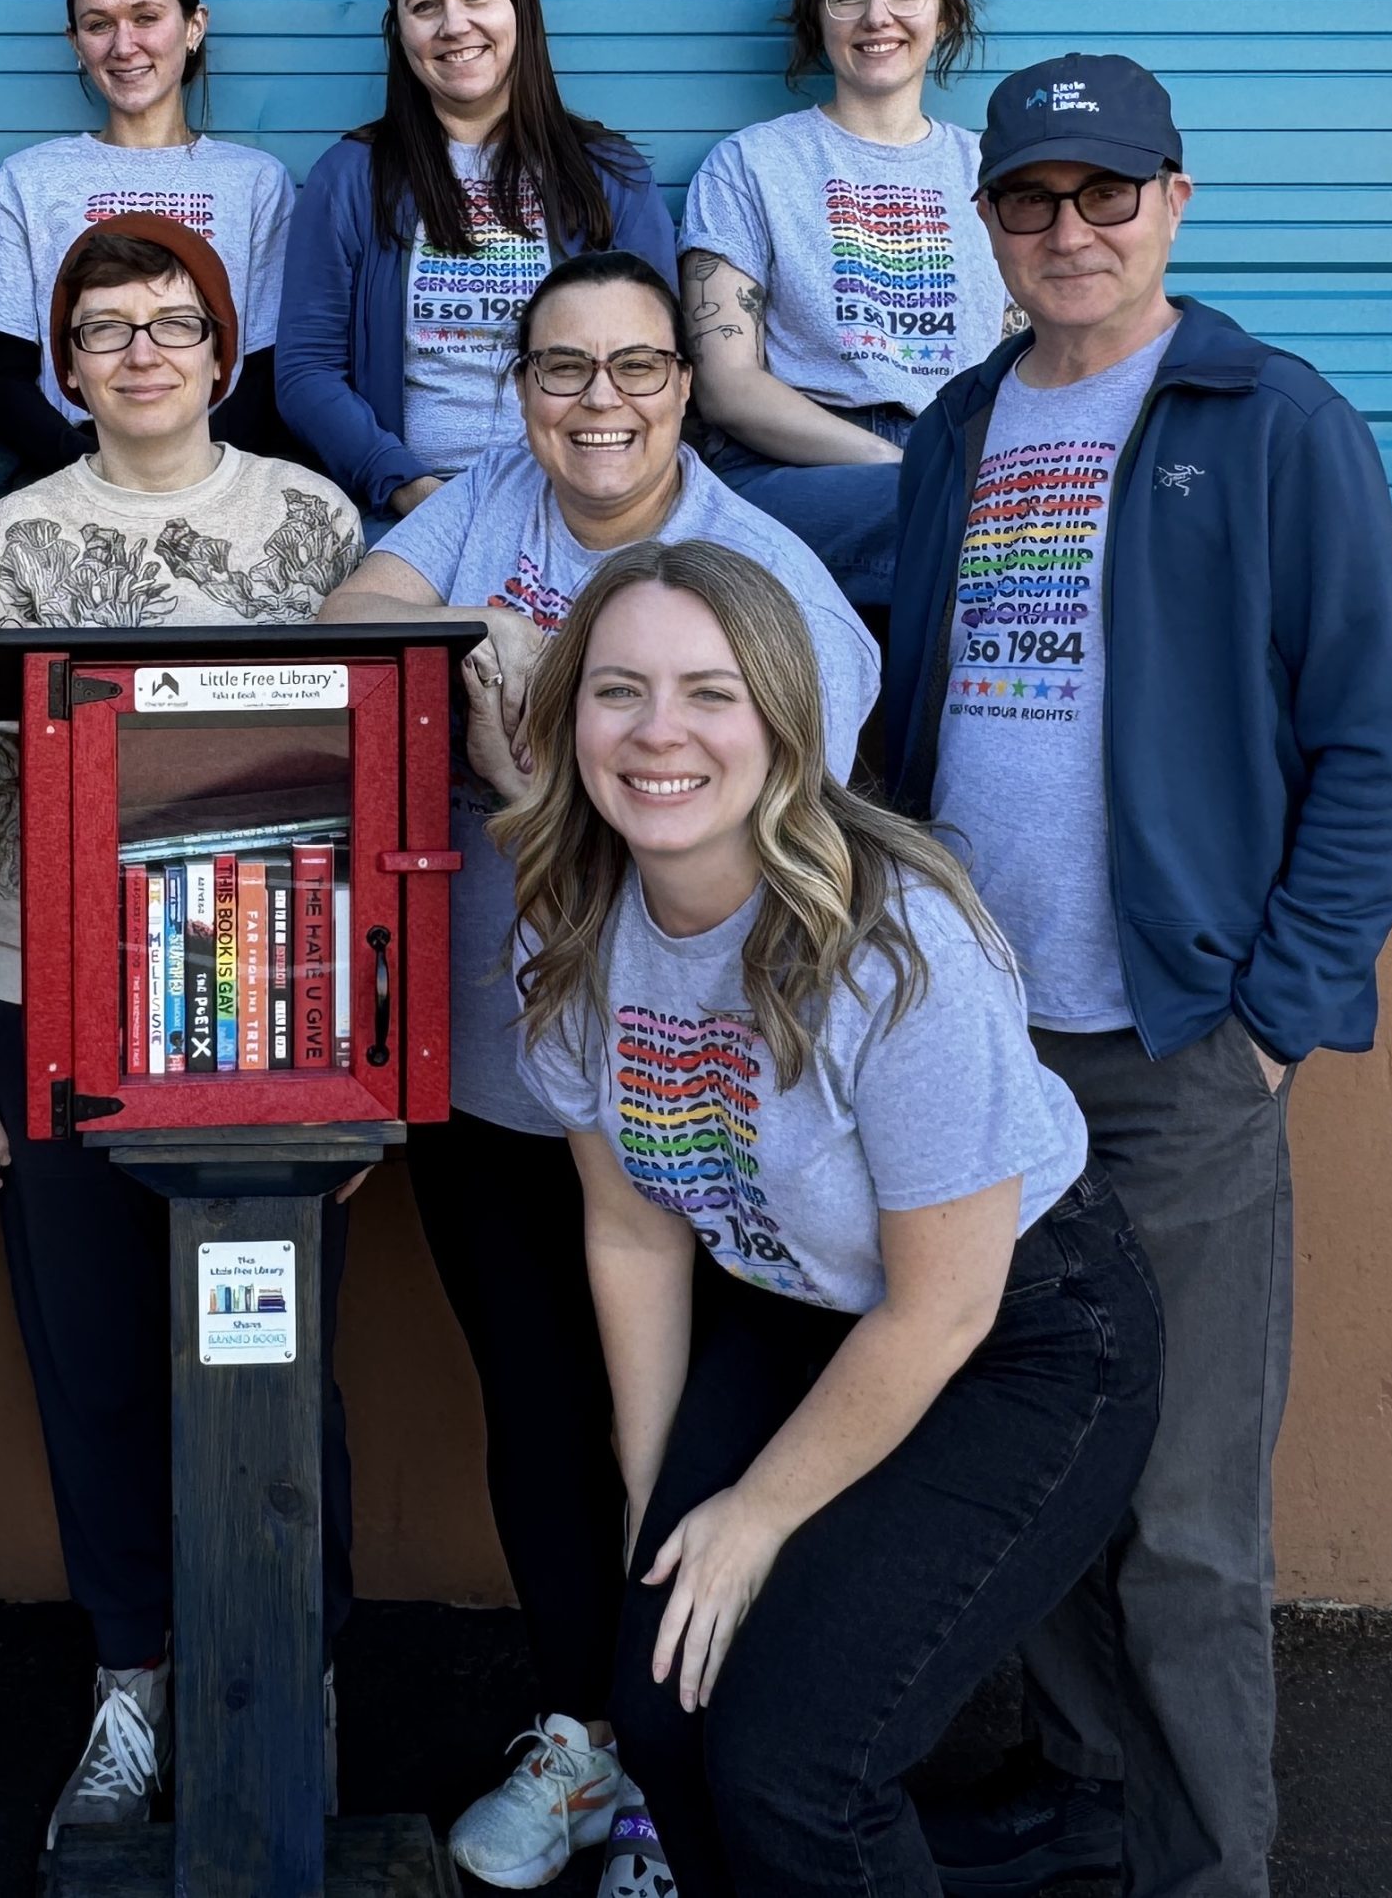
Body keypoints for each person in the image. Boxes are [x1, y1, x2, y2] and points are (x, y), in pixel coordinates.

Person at [884, 55, 1392, 1898]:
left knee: (1187, 1517)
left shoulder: (1268, 417)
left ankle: (1212, 1866)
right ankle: (1089, 1805)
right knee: (1032, 1472)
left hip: (1180, 1046)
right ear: (986, 225)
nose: (1070, 230)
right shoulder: (963, 421)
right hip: (986, 1050)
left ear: (1176, 201)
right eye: (1032, 201)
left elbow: (1375, 740)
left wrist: (1281, 1009)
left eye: (1105, 194)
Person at [316, 250, 878, 1891]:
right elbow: (349, 617)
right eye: (564, 370)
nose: (600, 402)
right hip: (502, 1078)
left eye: (636, 368)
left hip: (697, 1098)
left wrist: (527, 747)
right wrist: (475, 615)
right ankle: (583, 1731)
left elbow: (791, 849)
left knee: (697, 1444)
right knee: (547, 1425)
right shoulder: (489, 501)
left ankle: (686, 1774)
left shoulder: (763, 575)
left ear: (686, 389)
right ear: (521, 387)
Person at [487, 535, 1160, 1896]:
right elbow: (632, 1232)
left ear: (785, 718)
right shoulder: (569, 929)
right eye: (617, 691)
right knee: (663, 1708)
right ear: (569, 722)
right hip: (796, 1306)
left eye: (708, 691)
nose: (657, 731)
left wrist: (755, 1514)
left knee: (802, 1766)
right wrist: (658, 1491)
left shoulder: (894, 941)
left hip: (1019, 1337)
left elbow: (944, 1304)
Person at [0, 214, 363, 1846]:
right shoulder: (16, 541)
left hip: (268, 1008)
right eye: (106, 327)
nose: (143, 350)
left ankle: (295, 1676)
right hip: (52, 1004)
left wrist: (367, 1051)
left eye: (175, 321)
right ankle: (135, 1684)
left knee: (276, 1360)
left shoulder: (315, 522)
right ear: (64, 361)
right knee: (93, 1359)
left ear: (226, 349)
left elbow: (375, 787)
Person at [279, 0, 678, 529]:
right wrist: (407, 485)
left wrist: (599, 492)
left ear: (519, 7)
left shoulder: (609, 175)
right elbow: (307, 373)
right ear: (400, 31)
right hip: (413, 510)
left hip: (587, 504)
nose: (454, 25)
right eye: (425, 6)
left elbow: (658, 360)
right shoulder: (349, 177)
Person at [680, 0, 1016, 611]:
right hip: (789, 470)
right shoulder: (751, 165)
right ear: (818, 18)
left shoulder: (996, 174)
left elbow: (1029, 358)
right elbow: (726, 387)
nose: (877, 16)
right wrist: (911, 467)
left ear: (945, 13)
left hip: (958, 457)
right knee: (986, 530)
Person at [0, 0, 295, 479]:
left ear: (194, 27)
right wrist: (102, 477)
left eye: (146, 17)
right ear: (75, 42)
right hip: (69, 474)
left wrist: (188, 475)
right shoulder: (29, 179)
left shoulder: (257, 183)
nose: (123, 45)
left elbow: (266, 372)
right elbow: (4, 381)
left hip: (221, 474)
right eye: (99, 25)